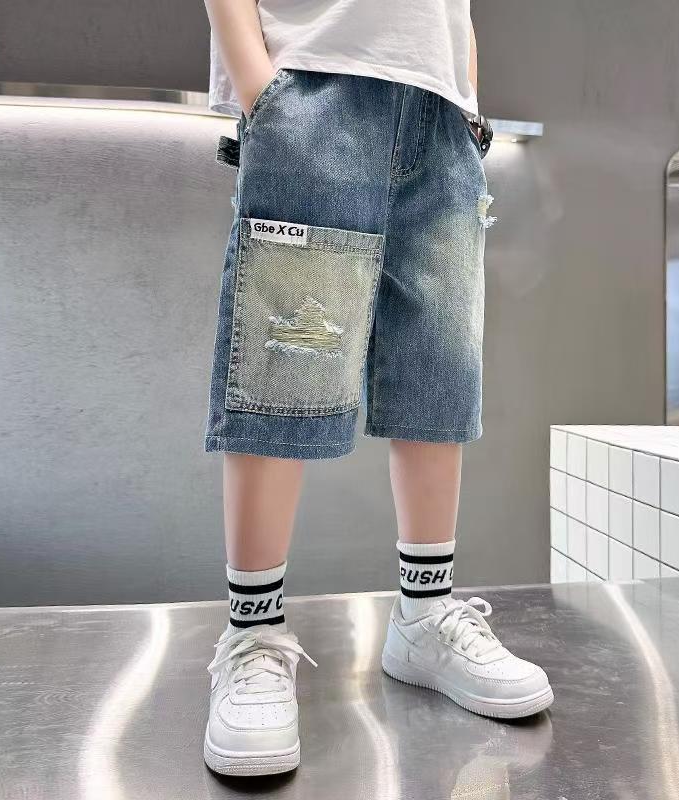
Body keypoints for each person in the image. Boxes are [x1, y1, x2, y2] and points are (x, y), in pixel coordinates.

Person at [201, 0, 553, 777]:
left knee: (438, 372)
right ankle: (253, 634)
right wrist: (262, 89)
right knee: (284, 369)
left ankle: (425, 616)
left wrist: (465, 98)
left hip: (442, 114)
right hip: (316, 89)